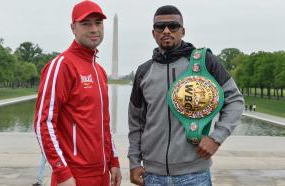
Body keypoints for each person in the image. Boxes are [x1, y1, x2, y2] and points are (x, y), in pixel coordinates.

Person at [128, 5, 244, 186]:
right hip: (152, 175)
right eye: (160, 27)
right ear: (153, 33)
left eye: (173, 26)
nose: (166, 31)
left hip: (194, 174)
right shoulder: (144, 71)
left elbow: (234, 101)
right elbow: (136, 122)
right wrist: (134, 162)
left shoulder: (204, 62)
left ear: (182, 31)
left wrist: (216, 138)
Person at [34, 1, 122, 186]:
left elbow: (104, 124)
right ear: (73, 27)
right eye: (86, 23)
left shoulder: (99, 71)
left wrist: (113, 161)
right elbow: (44, 123)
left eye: (98, 23)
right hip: (75, 175)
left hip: (102, 172)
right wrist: (61, 172)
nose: (94, 29)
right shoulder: (62, 65)